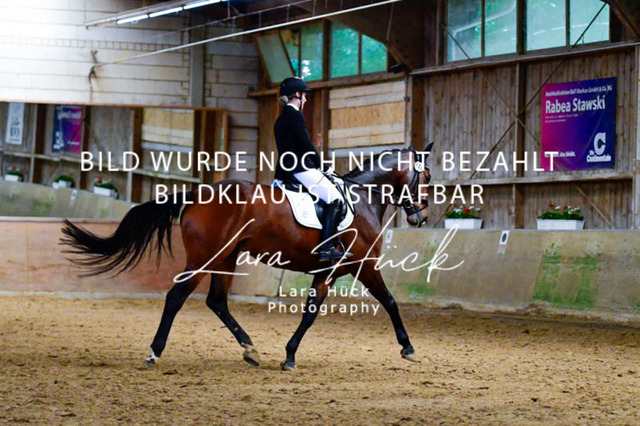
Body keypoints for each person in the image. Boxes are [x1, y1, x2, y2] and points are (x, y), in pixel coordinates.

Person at [274, 76, 351, 262]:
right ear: (297, 95)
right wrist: (323, 167)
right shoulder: (296, 116)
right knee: (335, 198)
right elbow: (306, 145)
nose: (306, 100)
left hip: (283, 170)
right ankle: (327, 247)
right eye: (304, 95)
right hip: (300, 169)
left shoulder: (280, 119)